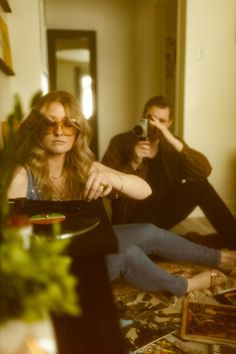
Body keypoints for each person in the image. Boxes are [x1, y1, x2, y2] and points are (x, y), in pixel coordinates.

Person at [7, 91, 236, 297]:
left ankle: (219, 258)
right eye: (50, 123)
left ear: (77, 131)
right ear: (38, 127)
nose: (59, 131)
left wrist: (113, 178)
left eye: (68, 124)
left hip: (83, 246)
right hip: (53, 270)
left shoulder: (83, 166)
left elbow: (145, 191)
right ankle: (183, 286)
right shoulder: (22, 177)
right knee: (127, 253)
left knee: (148, 232)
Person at [101, 95, 236, 250]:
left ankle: (233, 239)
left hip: (163, 211)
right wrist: (134, 163)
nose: (155, 125)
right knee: (149, 251)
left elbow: (204, 171)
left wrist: (172, 140)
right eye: (151, 118)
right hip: (132, 216)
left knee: (200, 185)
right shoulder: (120, 141)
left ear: (169, 123)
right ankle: (188, 241)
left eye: (162, 121)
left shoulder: (171, 144)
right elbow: (107, 190)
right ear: (143, 117)